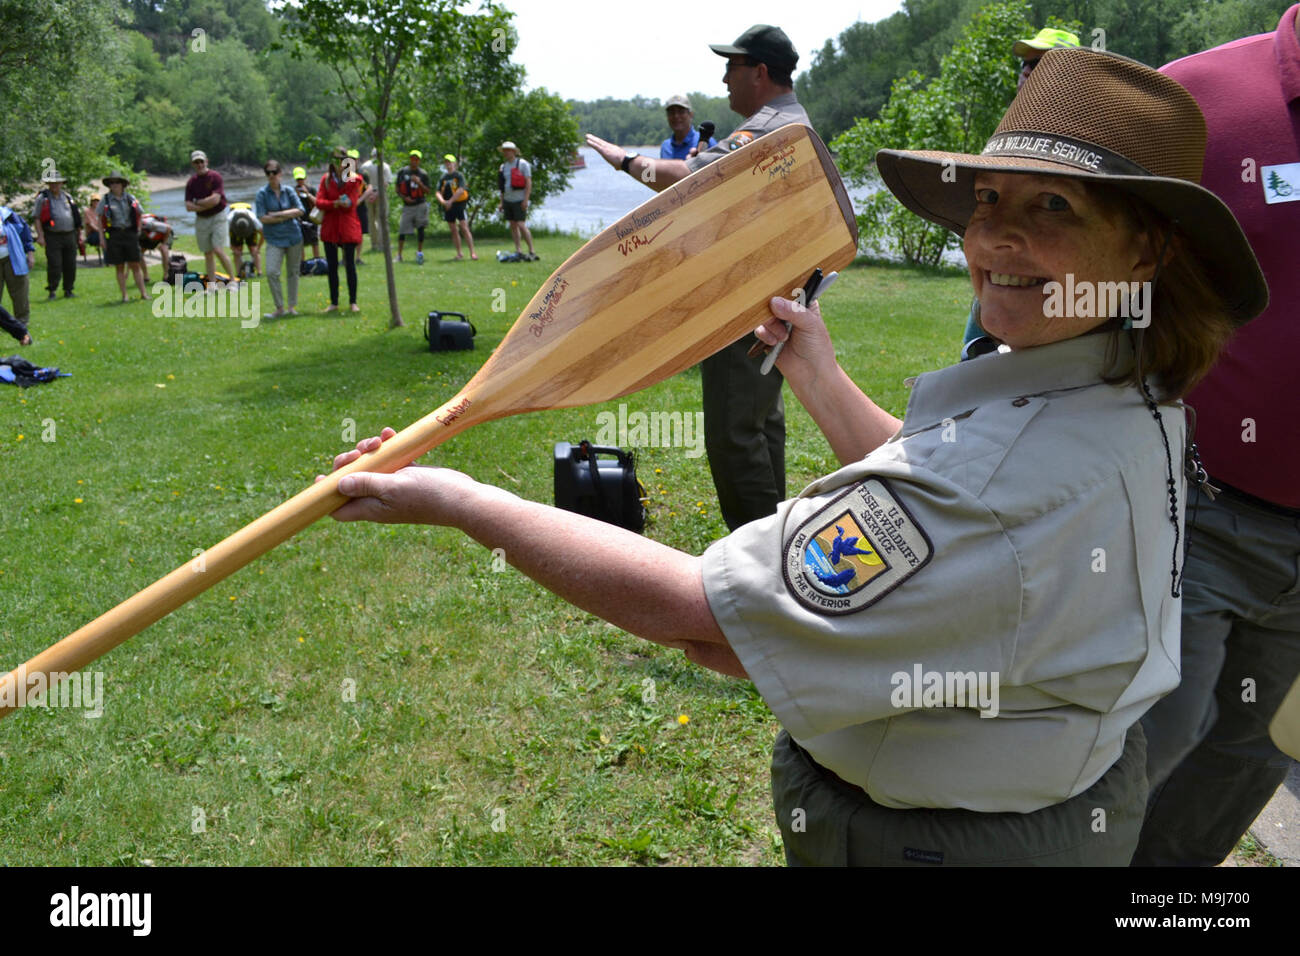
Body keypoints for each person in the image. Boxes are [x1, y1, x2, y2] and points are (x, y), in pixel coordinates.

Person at [325, 49, 1266, 865]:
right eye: (987, 200)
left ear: (1146, 250)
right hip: (1067, 804)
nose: (994, 238)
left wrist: (460, 500)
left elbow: (707, 624)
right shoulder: (1125, 390)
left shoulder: (999, 473)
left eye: (1052, 206)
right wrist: (814, 367)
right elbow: (943, 492)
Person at [1132, 3, 1300, 867]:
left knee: (1251, 760)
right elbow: (1097, 277)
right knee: (1139, 749)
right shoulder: (1194, 100)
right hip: (1194, 514)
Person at [587, 24, 810, 531]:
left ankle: (757, 556)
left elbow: (692, 179)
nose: (724, 77)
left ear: (759, 71)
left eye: (731, 66)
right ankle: (772, 538)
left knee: (734, 432)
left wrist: (625, 160)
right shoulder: (789, 120)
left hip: (745, 303)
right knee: (759, 424)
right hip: (768, 295)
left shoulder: (770, 124)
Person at [961, 27, 1081, 358]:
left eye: (1042, 64)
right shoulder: (1008, 131)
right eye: (1025, 65)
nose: (1028, 71)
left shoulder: (1088, 146)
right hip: (1002, 282)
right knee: (975, 354)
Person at [255, 159, 306, 320]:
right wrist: (287, 215)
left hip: (293, 237)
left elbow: (301, 210)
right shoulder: (262, 194)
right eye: (268, 173)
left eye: (274, 172)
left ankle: (291, 307)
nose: (272, 176)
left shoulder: (289, 191)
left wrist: (277, 215)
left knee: (293, 272)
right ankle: (279, 307)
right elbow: (262, 217)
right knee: (271, 272)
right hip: (274, 239)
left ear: (280, 173)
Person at [316, 147, 364, 313]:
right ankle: (334, 303)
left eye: (342, 159)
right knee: (332, 267)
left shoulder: (354, 179)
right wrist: (335, 204)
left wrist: (337, 204)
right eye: (336, 159)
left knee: (350, 265)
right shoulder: (326, 179)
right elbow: (319, 202)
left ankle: (353, 302)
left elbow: (351, 203)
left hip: (347, 227)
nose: (339, 163)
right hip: (330, 228)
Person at [185, 150, 237, 291]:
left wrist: (198, 202)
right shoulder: (191, 182)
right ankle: (212, 286)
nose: (199, 164)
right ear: (193, 164)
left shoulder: (215, 177)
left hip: (218, 217)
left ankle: (232, 281)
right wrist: (204, 204)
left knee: (218, 249)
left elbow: (215, 200)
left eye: (201, 161)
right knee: (207, 253)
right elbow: (188, 207)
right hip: (202, 220)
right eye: (196, 162)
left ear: (206, 161)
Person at [98, 172, 149, 302]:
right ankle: (124, 295)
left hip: (130, 233)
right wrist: (102, 238)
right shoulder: (105, 200)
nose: (114, 185)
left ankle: (143, 293)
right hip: (114, 234)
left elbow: (140, 213)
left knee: (135, 264)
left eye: (117, 182)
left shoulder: (130, 198)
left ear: (122, 184)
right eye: (111, 183)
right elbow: (99, 219)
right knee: (119, 266)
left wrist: (139, 228)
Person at [32, 169, 82, 300]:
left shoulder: (68, 197)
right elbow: (36, 217)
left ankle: (68, 289)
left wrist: (79, 234)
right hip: (52, 236)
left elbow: (76, 217)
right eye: (52, 183)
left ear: (61, 183)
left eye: (57, 183)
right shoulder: (43, 198)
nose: (55, 185)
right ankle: (52, 290)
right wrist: (40, 236)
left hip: (70, 234)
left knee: (70, 263)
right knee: (55, 264)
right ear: (48, 184)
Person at [0, 203, 34, 346]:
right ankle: (20, 332)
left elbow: (25, 233)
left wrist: (30, 253)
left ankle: (22, 327)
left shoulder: (8, 215)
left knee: (20, 293)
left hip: (12, 258)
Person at [497, 140, 536, 260]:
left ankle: (531, 250)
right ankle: (518, 250)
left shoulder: (522, 164)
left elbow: (528, 182)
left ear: (514, 151)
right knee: (513, 225)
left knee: (521, 224)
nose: (506, 153)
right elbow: (502, 186)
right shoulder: (503, 167)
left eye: (508, 150)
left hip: (519, 199)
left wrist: (526, 200)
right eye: (504, 151)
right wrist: (501, 202)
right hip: (508, 199)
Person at [435, 154, 476, 261]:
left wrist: (451, 201)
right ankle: (459, 253)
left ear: (455, 164)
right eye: (446, 162)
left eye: (450, 162)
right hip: (448, 205)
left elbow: (461, 189)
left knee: (464, 227)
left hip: (459, 204)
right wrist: (443, 202)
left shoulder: (459, 175)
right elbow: (438, 192)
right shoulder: (443, 178)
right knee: (453, 229)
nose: (448, 164)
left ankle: (472, 252)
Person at [395, 149, 432, 264]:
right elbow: (397, 189)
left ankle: (419, 253)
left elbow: (428, 191)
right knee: (402, 230)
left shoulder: (423, 174)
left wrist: (419, 183)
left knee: (421, 229)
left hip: (420, 205)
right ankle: (399, 255)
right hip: (407, 206)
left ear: (419, 161)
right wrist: (404, 198)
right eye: (412, 158)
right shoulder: (403, 172)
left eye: (416, 159)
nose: (414, 161)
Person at [658, 94, 717, 159]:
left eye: (681, 112)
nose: (676, 116)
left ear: (691, 114)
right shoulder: (665, 146)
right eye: (671, 112)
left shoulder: (707, 142)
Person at [360, 148, 393, 256]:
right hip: (380, 195)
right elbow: (386, 183)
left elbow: (361, 183)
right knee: (382, 219)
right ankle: (382, 244)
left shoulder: (364, 166)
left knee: (371, 220)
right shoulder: (385, 166)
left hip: (367, 194)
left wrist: (369, 194)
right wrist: (377, 193)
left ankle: (374, 243)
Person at [227, 202, 264, 278]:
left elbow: (263, 235)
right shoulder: (228, 221)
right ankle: (239, 274)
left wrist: (258, 248)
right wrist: (233, 249)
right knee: (238, 250)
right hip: (235, 228)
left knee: (253, 249)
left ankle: (260, 272)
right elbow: (223, 237)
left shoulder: (254, 221)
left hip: (250, 228)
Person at [293, 167, 322, 260]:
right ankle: (303, 263)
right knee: (300, 242)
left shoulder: (311, 189)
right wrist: (296, 196)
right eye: (298, 179)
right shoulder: (293, 191)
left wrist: (307, 194)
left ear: (305, 178)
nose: (300, 181)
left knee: (314, 240)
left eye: (301, 179)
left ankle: (317, 260)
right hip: (299, 219)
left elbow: (317, 203)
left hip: (311, 217)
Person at [137, 213, 173, 283]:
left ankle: (166, 275)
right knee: (139, 253)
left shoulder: (149, 225)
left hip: (164, 234)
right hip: (149, 237)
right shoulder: (132, 229)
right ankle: (146, 276)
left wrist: (164, 243)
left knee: (164, 249)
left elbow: (168, 228)